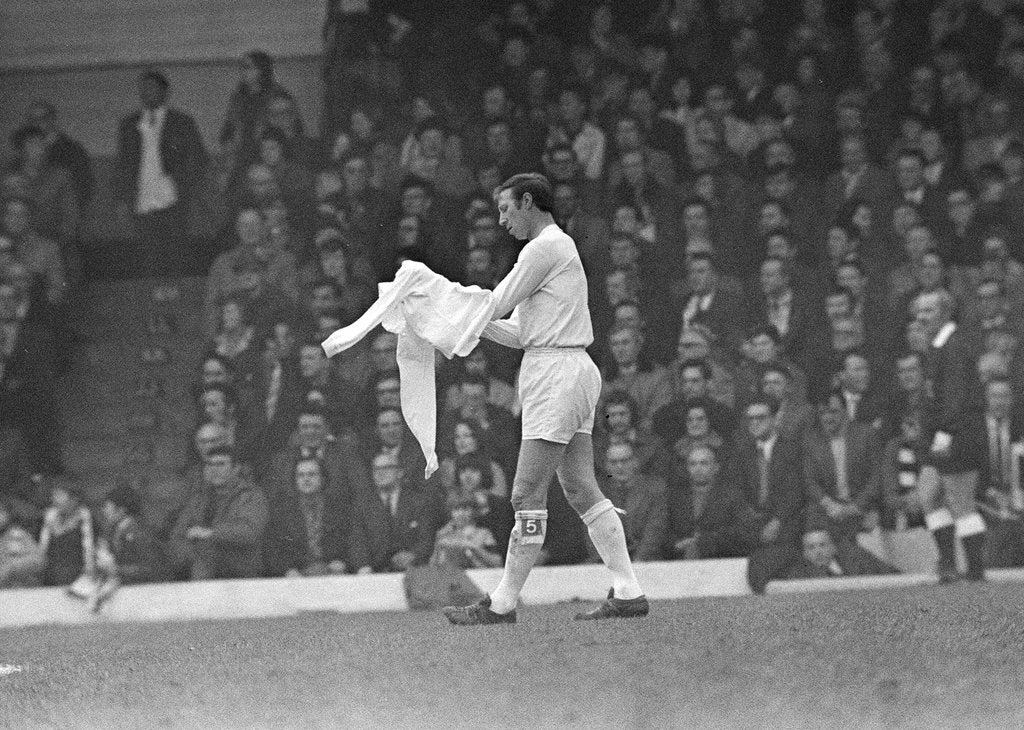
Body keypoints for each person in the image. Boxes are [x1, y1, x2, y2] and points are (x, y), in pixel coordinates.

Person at [444, 173, 647, 625]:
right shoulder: (553, 250)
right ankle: (629, 591)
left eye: (506, 209)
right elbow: (519, 332)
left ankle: (502, 603)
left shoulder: (543, 248)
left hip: (556, 373)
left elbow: (493, 305)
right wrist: (467, 316)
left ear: (529, 202)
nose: (501, 220)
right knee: (579, 488)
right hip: (562, 365)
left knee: (524, 493)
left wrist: (444, 302)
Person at [114, 69, 208, 277]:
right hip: (143, 198)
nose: (146, 93)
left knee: (176, 251)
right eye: (143, 88)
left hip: (173, 198)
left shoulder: (182, 122)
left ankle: (176, 298)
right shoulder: (129, 124)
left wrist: (181, 184)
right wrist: (122, 198)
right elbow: (123, 165)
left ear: (165, 92)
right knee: (148, 252)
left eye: (152, 88)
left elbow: (198, 159)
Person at [785, 529, 899, 579]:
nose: (818, 552)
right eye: (811, 548)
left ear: (833, 548)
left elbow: (893, 575)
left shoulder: (857, 559)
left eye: (822, 545)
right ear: (805, 554)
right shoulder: (798, 576)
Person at [430, 497, 504, 569]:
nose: (460, 513)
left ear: (474, 511)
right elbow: (433, 566)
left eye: (465, 509)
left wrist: (473, 547)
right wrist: (437, 544)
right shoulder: (444, 535)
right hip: (451, 578)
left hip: (476, 578)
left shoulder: (484, 534)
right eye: (456, 509)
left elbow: (498, 563)